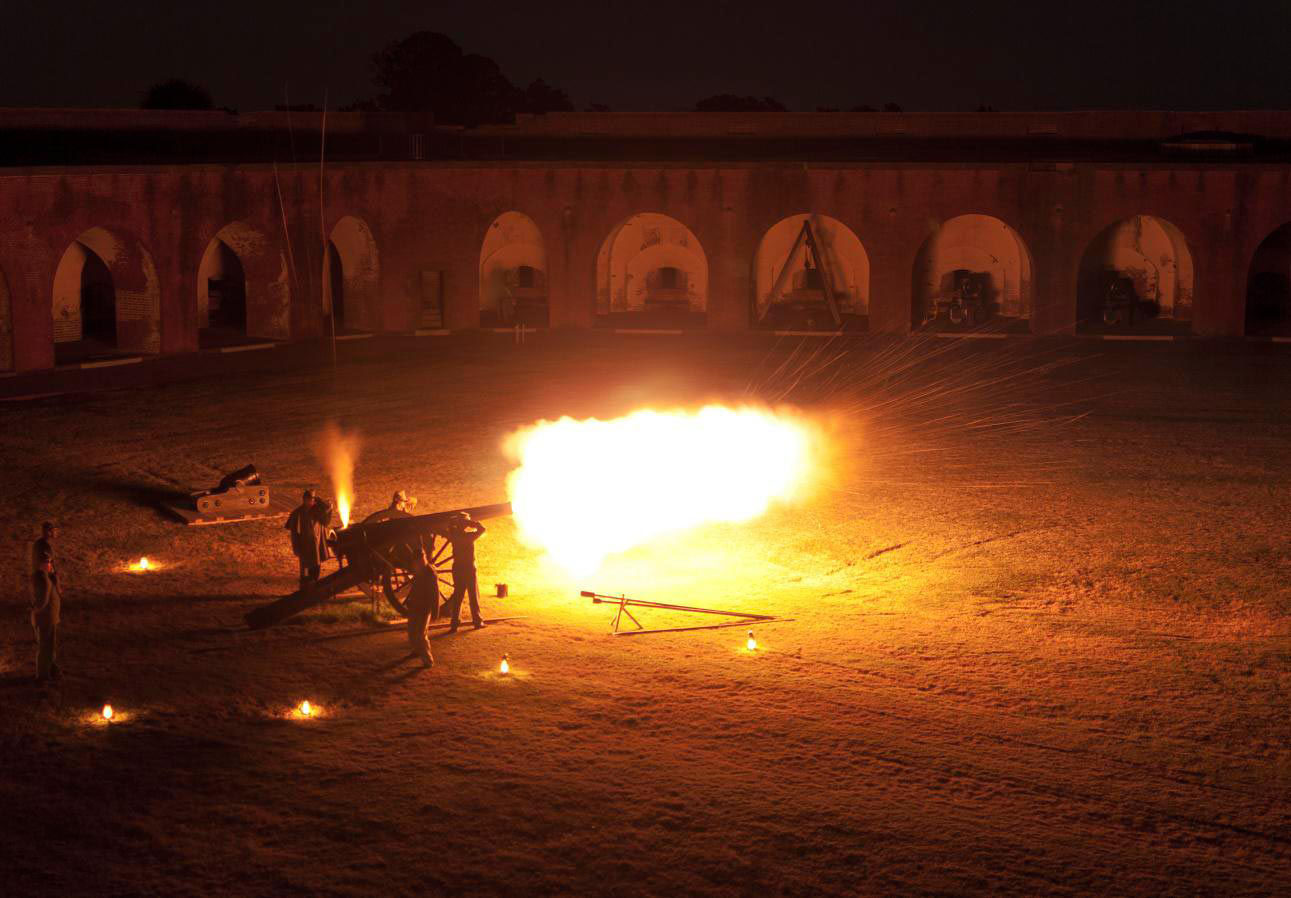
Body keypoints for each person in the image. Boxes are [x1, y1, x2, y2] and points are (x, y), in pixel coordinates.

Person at [443, 512, 487, 632]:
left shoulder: (453, 535)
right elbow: (483, 529)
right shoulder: (468, 536)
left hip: (457, 568)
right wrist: (472, 523)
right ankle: (477, 621)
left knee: (458, 596)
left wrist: (459, 523)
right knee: (473, 595)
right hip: (468, 568)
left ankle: (454, 624)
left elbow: (447, 529)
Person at [30, 522, 62, 682]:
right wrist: (36, 612)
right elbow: (41, 601)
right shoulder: (43, 580)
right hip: (46, 617)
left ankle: (51, 668)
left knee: (49, 644)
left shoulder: (47, 577)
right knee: (45, 646)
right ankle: (43, 675)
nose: (50, 565)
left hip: (50, 616)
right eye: (48, 563)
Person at [285, 490, 332, 588]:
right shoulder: (298, 513)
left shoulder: (317, 510)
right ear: (304, 500)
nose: (311, 501)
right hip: (305, 545)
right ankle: (305, 587)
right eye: (310, 499)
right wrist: (296, 547)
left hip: (317, 543)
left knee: (316, 564)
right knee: (306, 567)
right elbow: (294, 532)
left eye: (313, 499)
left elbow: (326, 517)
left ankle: (314, 583)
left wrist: (320, 501)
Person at [405, 554, 436, 668]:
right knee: (412, 630)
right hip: (415, 606)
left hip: (424, 607)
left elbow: (434, 592)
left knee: (420, 634)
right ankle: (416, 650)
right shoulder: (419, 570)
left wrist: (435, 610)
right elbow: (415, 588)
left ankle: (428, 660)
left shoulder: (430, 572)